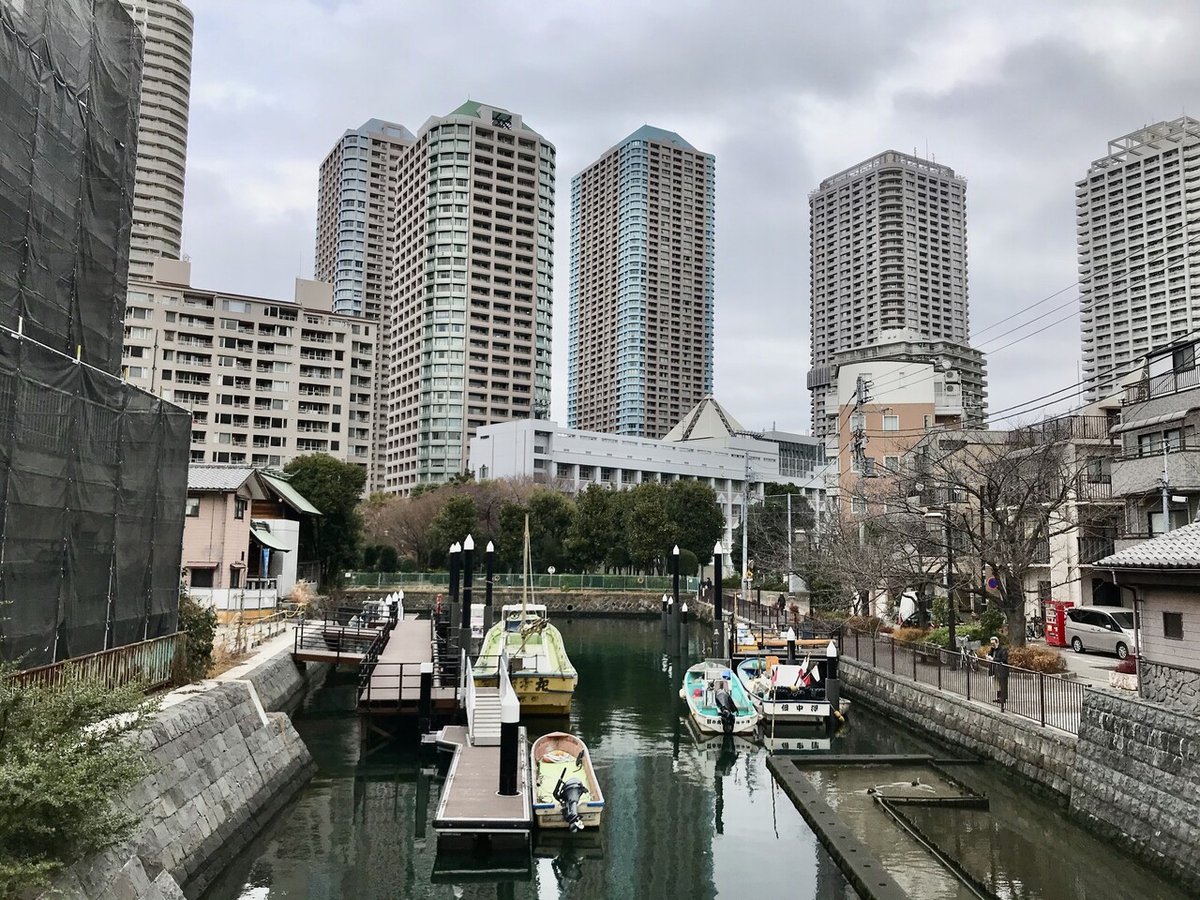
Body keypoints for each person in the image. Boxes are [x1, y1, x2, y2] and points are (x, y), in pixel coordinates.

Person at [987, 636, 1009, 704]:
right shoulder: (993, 649)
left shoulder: (1002, 650)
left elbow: (1003, 659)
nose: (992, 645)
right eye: (991, 644)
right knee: (997, 684)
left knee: (1002, 684)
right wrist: (988, 656)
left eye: (993, 643)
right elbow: (990, 655)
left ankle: (1003, 698)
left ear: (997, 643)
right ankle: (999, 697)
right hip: (995, 670)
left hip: (1002, 670)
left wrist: (993, 659)